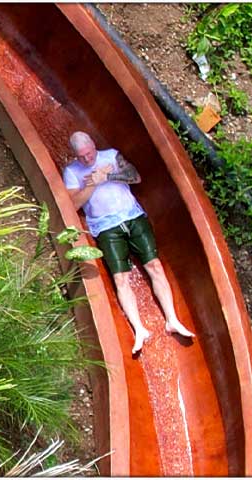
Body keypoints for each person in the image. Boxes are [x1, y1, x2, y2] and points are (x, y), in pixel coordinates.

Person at [63, 131, 195, 354]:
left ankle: (171, 318)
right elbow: (73, 203)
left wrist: (108, 177)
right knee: (120, 277)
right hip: (106, 227)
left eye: (89, 153)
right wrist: (93, 184)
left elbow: (135, 176)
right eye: (82, 156)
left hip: (132, 217)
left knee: (154, 265)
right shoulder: (72, 172)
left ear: (94, 146)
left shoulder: (111, 156)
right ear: (75, 155)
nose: (87, 159)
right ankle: (139, 329)